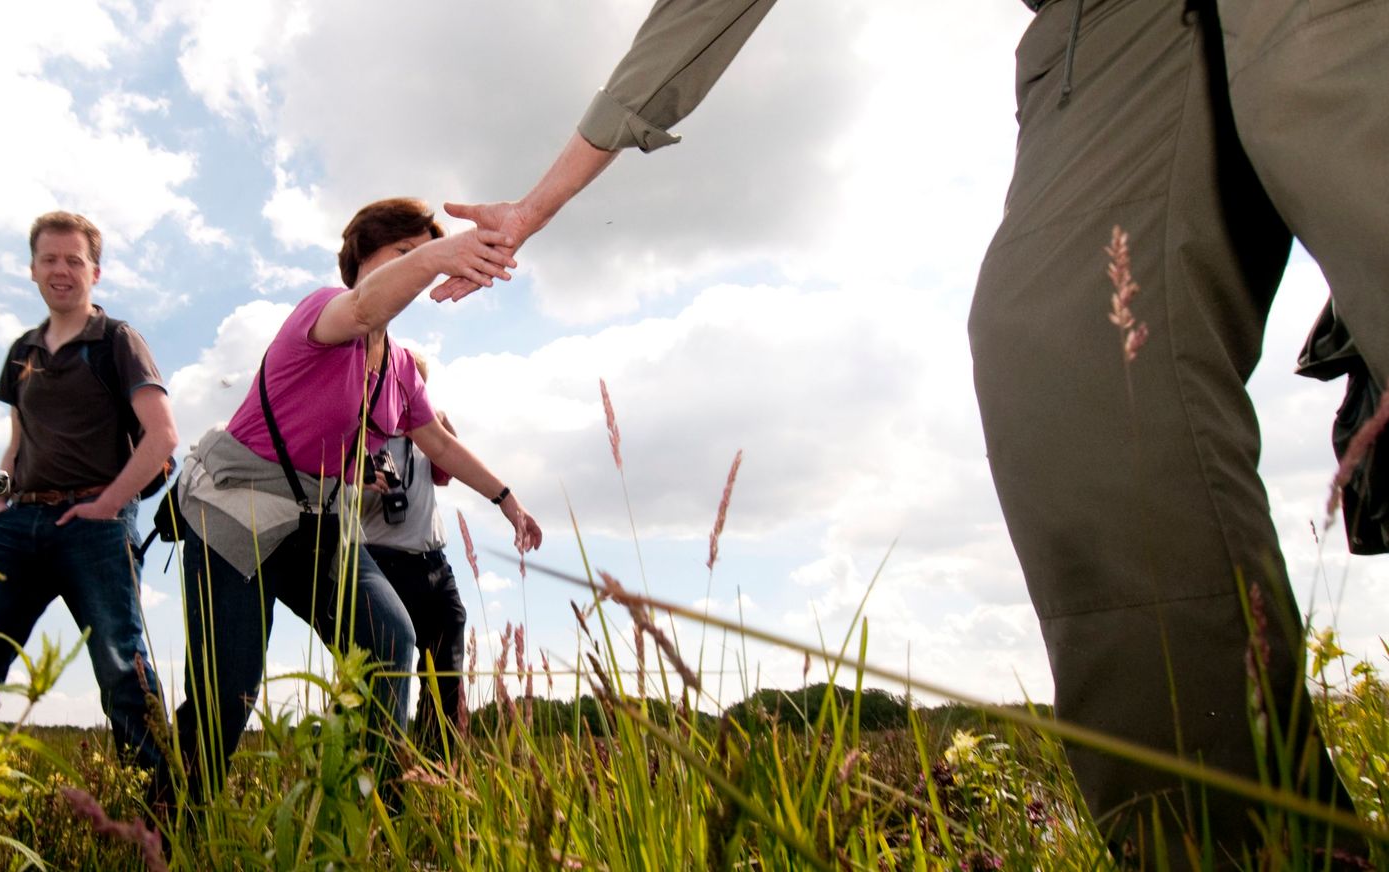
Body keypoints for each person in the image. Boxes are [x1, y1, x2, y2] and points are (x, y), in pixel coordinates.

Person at [438, 0, 1384, 864]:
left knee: (1333, 126)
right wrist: (539, 202)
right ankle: (1247, 848)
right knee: (1057, 344)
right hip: (1108, 24)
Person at [171, 198, 542, 803]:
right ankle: (171, 824)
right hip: (239, 513)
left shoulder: (400, 367)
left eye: (424, 252)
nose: (420, 263)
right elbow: (367, 305)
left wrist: (506, 498)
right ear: (363, 259)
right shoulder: (324, 311)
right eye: (405, 253)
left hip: (320, 522)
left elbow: (437, 442)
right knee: (227, 693)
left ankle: (367, 809)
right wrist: (438, 255)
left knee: (390, 640)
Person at [0, 211, 177, 802]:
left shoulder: (117, 340)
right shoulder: (21, 351)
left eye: (74, 260)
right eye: (49, 259)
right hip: (17, 525)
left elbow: (162, 438)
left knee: (122, 670)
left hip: (96, 527)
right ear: (32, 269)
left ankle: (164, 817)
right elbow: (19, 451)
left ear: (95, 272)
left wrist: (107, 506)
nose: (61, 270)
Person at [359, 357, 470, 758]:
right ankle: (381, 768)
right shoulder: (362, 434)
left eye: (419, 386)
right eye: (406, 385)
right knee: (385, 675)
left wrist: (448, 436)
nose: (412, 394)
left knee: (447, 676)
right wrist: (365, 483)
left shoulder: (426, 432)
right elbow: (341, 500)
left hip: (435, 563)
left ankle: (439, 770)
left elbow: (444, 474)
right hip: (383, 564)